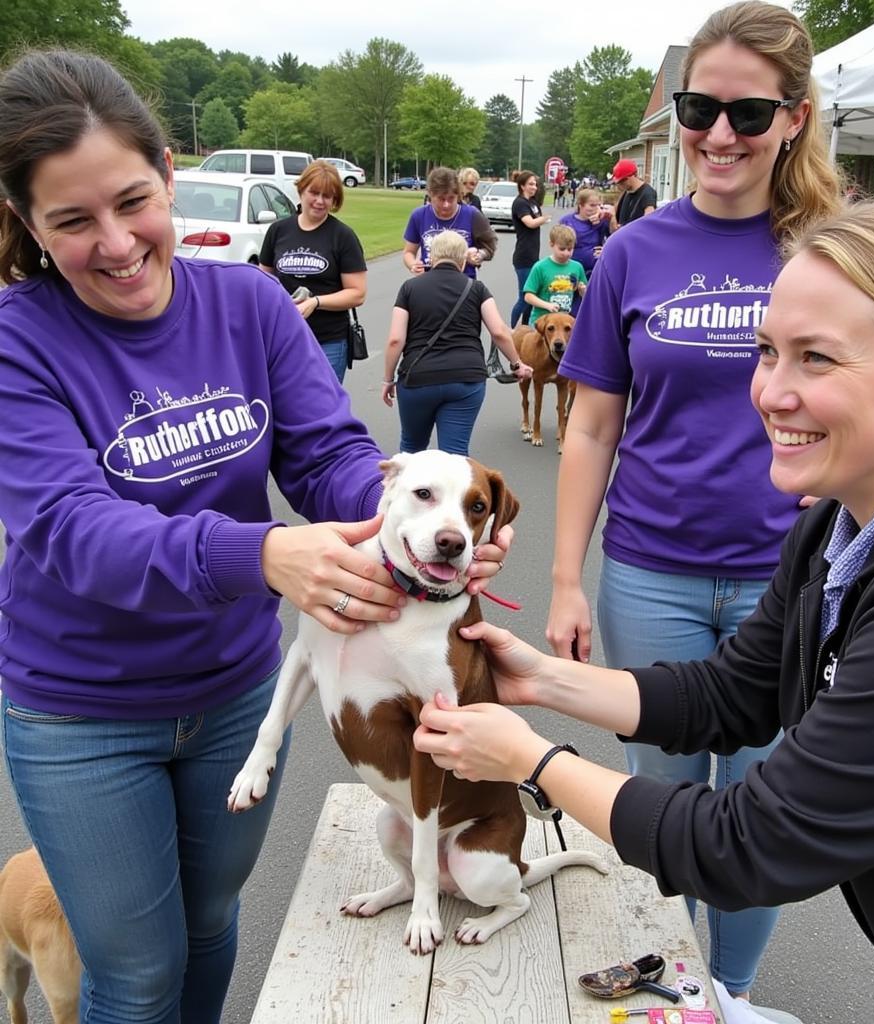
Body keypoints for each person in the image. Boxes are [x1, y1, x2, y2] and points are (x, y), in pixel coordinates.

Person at [416, 201, 874, 1024]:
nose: (771, 392)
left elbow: (751, 846)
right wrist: (549, 682)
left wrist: (532, 761)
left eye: (817, 359)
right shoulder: (837, 521)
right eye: (767, 352)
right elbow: (733, 693)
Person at [0, 50, 510, 1024]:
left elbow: (326, 454)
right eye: (71, 220)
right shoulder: (17, 338)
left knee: (204, 924)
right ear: (28, 223)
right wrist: (261, 553)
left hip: (231, 693)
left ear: (164, 170)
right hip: (83, 711)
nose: (114, 243)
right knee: (135, 973)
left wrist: (413, 514)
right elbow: (70, 528)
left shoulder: (249, 304)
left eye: (133, 201)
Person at [543, 0, 841, 1006]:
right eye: (698, 106)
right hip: (649, 570)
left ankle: (731, 991)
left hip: (789, 576)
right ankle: (668, 977)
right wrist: (563, 582)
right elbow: (589, 428)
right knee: (660, 801)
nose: (718, 133)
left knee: (763, 810)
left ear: (793, 118)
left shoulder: (835, 253)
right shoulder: (632, 250)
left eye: (748, 114)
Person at [382, 230, 531, 455]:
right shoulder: (477, 289)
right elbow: (499, 331)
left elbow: (395, 340)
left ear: (431, 258)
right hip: (466, 379)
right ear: (463, 260)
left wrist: (387, 379)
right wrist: (516, 363)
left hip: (418, 378)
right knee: (455, 453)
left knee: (411, 448)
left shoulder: (409, 289)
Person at [259, 159, 366, 385]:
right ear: (301, 190)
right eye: (314, 193)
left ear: (335, 200)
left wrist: (315, 302)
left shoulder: (342, 236)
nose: (319, 201)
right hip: (283, 338)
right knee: (284, 404)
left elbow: (357, 293)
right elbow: (263, 281)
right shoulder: (278, 231)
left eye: (327, 196)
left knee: (322, 408)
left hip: (328, 342)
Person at [402, 166, 496, 278]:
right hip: (429, 283)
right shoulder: (419, 216)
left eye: (451, 198)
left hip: (463, 284)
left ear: (458, 195)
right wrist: (413, 264)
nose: (446, 204)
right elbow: (408, 252)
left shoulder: (472, 215)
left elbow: (490, 247)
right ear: (431, 194)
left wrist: (478, 255)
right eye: (441, 199)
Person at [509, 169, 551, 327]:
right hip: (523, 257)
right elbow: (530, 223)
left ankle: (525, 328)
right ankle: (511, 330)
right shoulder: (520, 203)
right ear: (522, 186)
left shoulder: (532, 202)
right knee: (524, 297)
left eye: (535, 184)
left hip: (534, 256)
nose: (534, 187)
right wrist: (544, 218)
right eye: (531, 184)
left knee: (531, 296)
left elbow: (536, 218)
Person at [523, 224, 588, 321]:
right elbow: (528, 296)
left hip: (563, 321)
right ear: (551, 244)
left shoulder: (577, 267)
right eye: (562, 249)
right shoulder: (540, 267)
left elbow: (586, 295)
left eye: (570, 249)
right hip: (542, 320)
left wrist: (583, 290)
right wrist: (547, 305)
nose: (566, 253)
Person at [558, 187, 611, 277]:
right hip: (572, 269)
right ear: (581, 205)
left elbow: (615, 237)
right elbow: (559, 245)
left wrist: (606, 250)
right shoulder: (567, 221)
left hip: (594, 269)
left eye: (598, 205)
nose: (596, 208)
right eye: (592, 205)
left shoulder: (602, 221)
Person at [608, 158, 657, 230]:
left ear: (632, 176)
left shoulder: (647, 193)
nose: (619, 185)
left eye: (622, 181)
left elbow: (648, 222)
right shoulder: (627, 191)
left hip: (635, 237)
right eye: (618, 183)